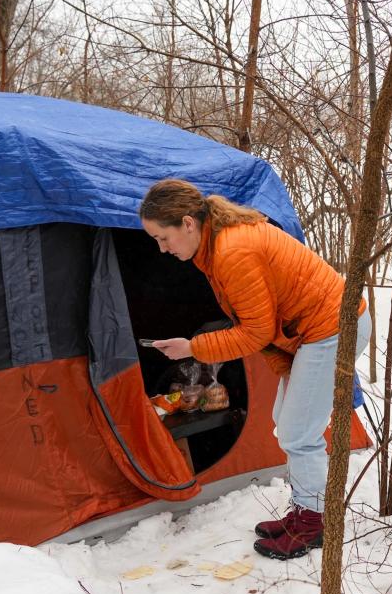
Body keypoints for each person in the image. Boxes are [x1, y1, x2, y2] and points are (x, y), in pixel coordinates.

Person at [139, 179, 369, 560]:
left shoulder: (232, 251)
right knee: (287, 420)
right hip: (313, 332)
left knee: (299, 432)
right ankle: (307, 510)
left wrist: (192, 348)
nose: (162, 249)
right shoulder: (216, 245)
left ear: (188, 223)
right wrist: (286, 366)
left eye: (163, 237)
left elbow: (254, 333)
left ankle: (316, 523)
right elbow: (269, 326)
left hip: (334, 328)